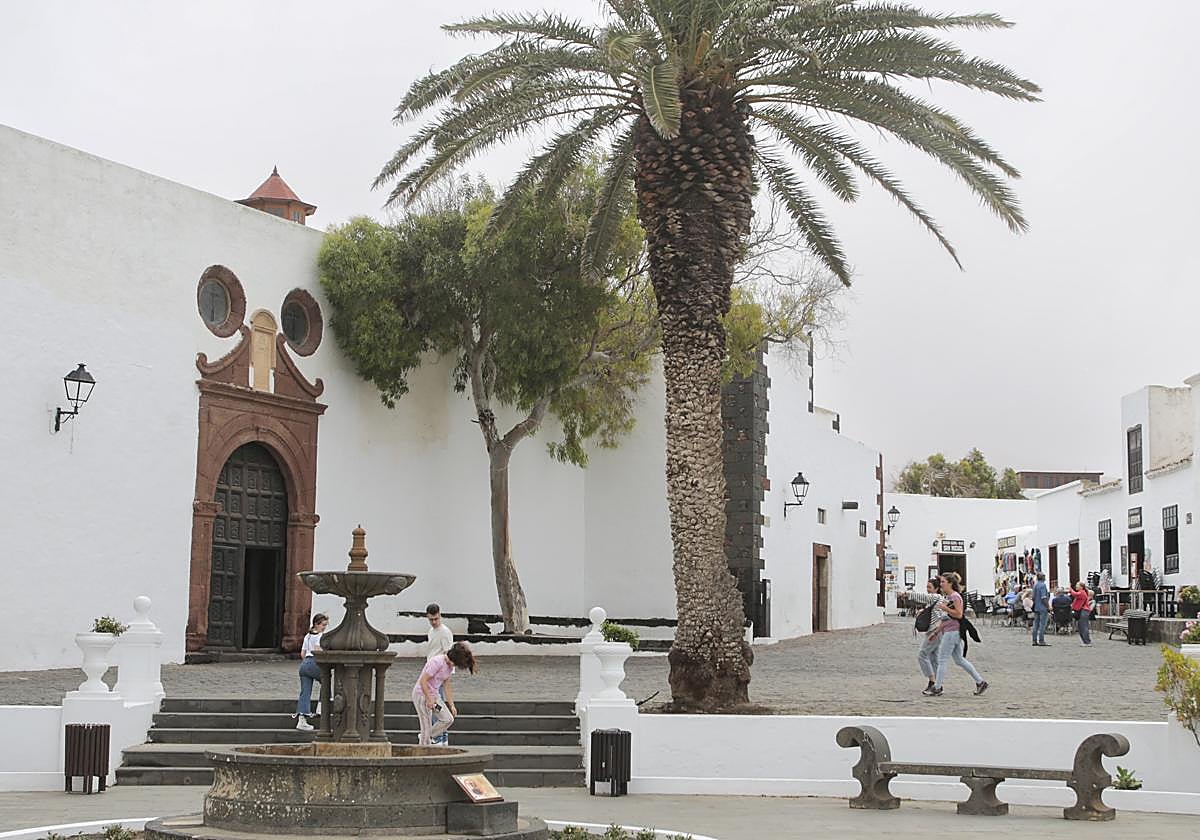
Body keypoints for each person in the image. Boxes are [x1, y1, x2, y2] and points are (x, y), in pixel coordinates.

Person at [927, 572, 988, 697]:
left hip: (952, 632)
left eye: (943, 582)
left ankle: (937, 687)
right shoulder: (950, 597)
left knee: (942, 659)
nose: (941, 584)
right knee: (959, 660)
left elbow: (958, 614)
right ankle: (980, 681)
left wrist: (946, 608)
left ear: (950, 583)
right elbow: (947, 618)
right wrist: (937, 631)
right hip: (951, 630)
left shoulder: (955, 597)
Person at [413, 641, 476, 746]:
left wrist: (451, 705)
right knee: (426, 725)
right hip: (422, 694)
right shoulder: (437, 662)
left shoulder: (450, 667)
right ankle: (424, 744)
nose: (454, 665)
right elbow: (423, 681)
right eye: (454, 663)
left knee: (448, 719)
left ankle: (427, 735)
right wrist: (428, 699)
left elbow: (447, 685)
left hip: (434, 695)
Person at [908, 579, 946, 694]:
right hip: (937, 630)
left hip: (935, 630)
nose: (927, 589)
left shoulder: (935, 597)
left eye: (929, 587)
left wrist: (906, 594)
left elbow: (922, 597)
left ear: (936, 588)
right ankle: (938, 685)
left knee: (922, 655)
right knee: (934, 657)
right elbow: (933, 611)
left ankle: (932, 682)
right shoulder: (937, 599)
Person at [426, 603, 454, 745]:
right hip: (431, 673)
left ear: (440, 615)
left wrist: (446, 674)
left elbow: (448, 654)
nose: (434, 622)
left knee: (438, 706)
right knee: (437, 706)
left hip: (439, 674)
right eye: (431, 619)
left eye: (436, 619)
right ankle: (441, 738)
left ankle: (437, 738)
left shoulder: (445, 632)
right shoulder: (431, 631)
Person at [295, 613, 328, 731]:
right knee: (327, 682)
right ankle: (320, 707)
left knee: (305, 692)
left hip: (304, 665)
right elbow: (318, 651)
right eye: (323, 625)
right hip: (315, 662)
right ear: (316, 624)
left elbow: (303, 654)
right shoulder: (320, 636)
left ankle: (302, 719)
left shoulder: (307, 636)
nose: (324, 627)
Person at [1031, 572, 1051, 646]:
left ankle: (1034, 640)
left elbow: (1033, 597)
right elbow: (1043, 598)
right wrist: (1048, 606)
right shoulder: (1043, 585)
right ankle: (1041, 640)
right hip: (1042, 607)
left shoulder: (1035, 585)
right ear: (1042, 577)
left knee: (1035, 624)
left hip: (1036, 607)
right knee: (1042, 624)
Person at [1072, 581, 1094, 647]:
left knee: (1083, 626)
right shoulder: (1082, 592)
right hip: (1083, 611)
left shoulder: (1082, 592)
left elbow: (1075, 594)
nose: (1076, 586)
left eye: (1077, 585)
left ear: (1081, 587)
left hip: (1084, 611)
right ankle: (1085, 641)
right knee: (1081, 626)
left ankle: (1087, 642)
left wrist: (1070, 589)